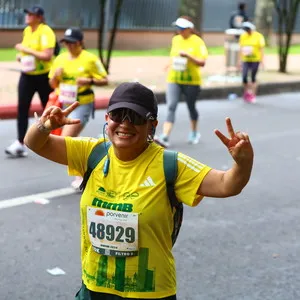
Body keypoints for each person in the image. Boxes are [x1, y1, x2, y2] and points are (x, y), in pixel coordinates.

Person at [24, 81, 254, 300]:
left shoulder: (170, 164)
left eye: (134, 117)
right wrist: (44, 126)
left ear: (152, 124)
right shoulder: (91, 152)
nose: (124, 123)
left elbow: (227, 184)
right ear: (107, 118)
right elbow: (35, 143)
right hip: (95, 287)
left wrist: (243, 163)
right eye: (117, 115)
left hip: (150, 291)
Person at [48, 27, 108, 189]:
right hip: (64, 104)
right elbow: (52, 84)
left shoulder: (90, 59)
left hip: (82, 103)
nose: (69, 46)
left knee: (67, 140)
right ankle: (89, 169)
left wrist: (89, 81)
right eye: (66, 43)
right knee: (70, 141)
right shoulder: (60, 59)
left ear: (80, 42)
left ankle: (82, 175)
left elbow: (105, 79)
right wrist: (55, 76)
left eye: (72, 43)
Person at [5, 5, 56, 158]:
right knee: (22, 107)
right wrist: (20, 56)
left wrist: (25, 50)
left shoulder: (46, 31)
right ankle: (20, 143)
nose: (27, 16)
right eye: (27, 13)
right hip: (27, 75)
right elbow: (25, 51)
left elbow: (47, 55)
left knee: (47, 109)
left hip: (43, 75)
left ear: (39, 17)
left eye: (31, 14)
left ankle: (53, 141)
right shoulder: (27, 31)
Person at [156, 16, 208, 147]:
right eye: (178, 28)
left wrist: (188, 56)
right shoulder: (176, 40)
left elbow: (202, 62)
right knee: (171, 106)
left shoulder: (197, 42)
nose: (180, 31)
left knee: (191, 107)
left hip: (191, 81)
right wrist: (168, 64)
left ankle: (194, 132)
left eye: (183, 29)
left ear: (190, 29)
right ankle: (165, 136)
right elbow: (173, 56)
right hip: (174, 79)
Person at [239, 22, 265, 103]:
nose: (247, 31)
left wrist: (262, 60)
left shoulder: (258, 36)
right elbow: (241, 48)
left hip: (255, 59)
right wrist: (239, 60)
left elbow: (261, 49)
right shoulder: (243, 36)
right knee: (244, 76)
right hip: (246, 59)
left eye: (248, 30)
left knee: (253, 77)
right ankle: (246, 92)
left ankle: (253, 94)